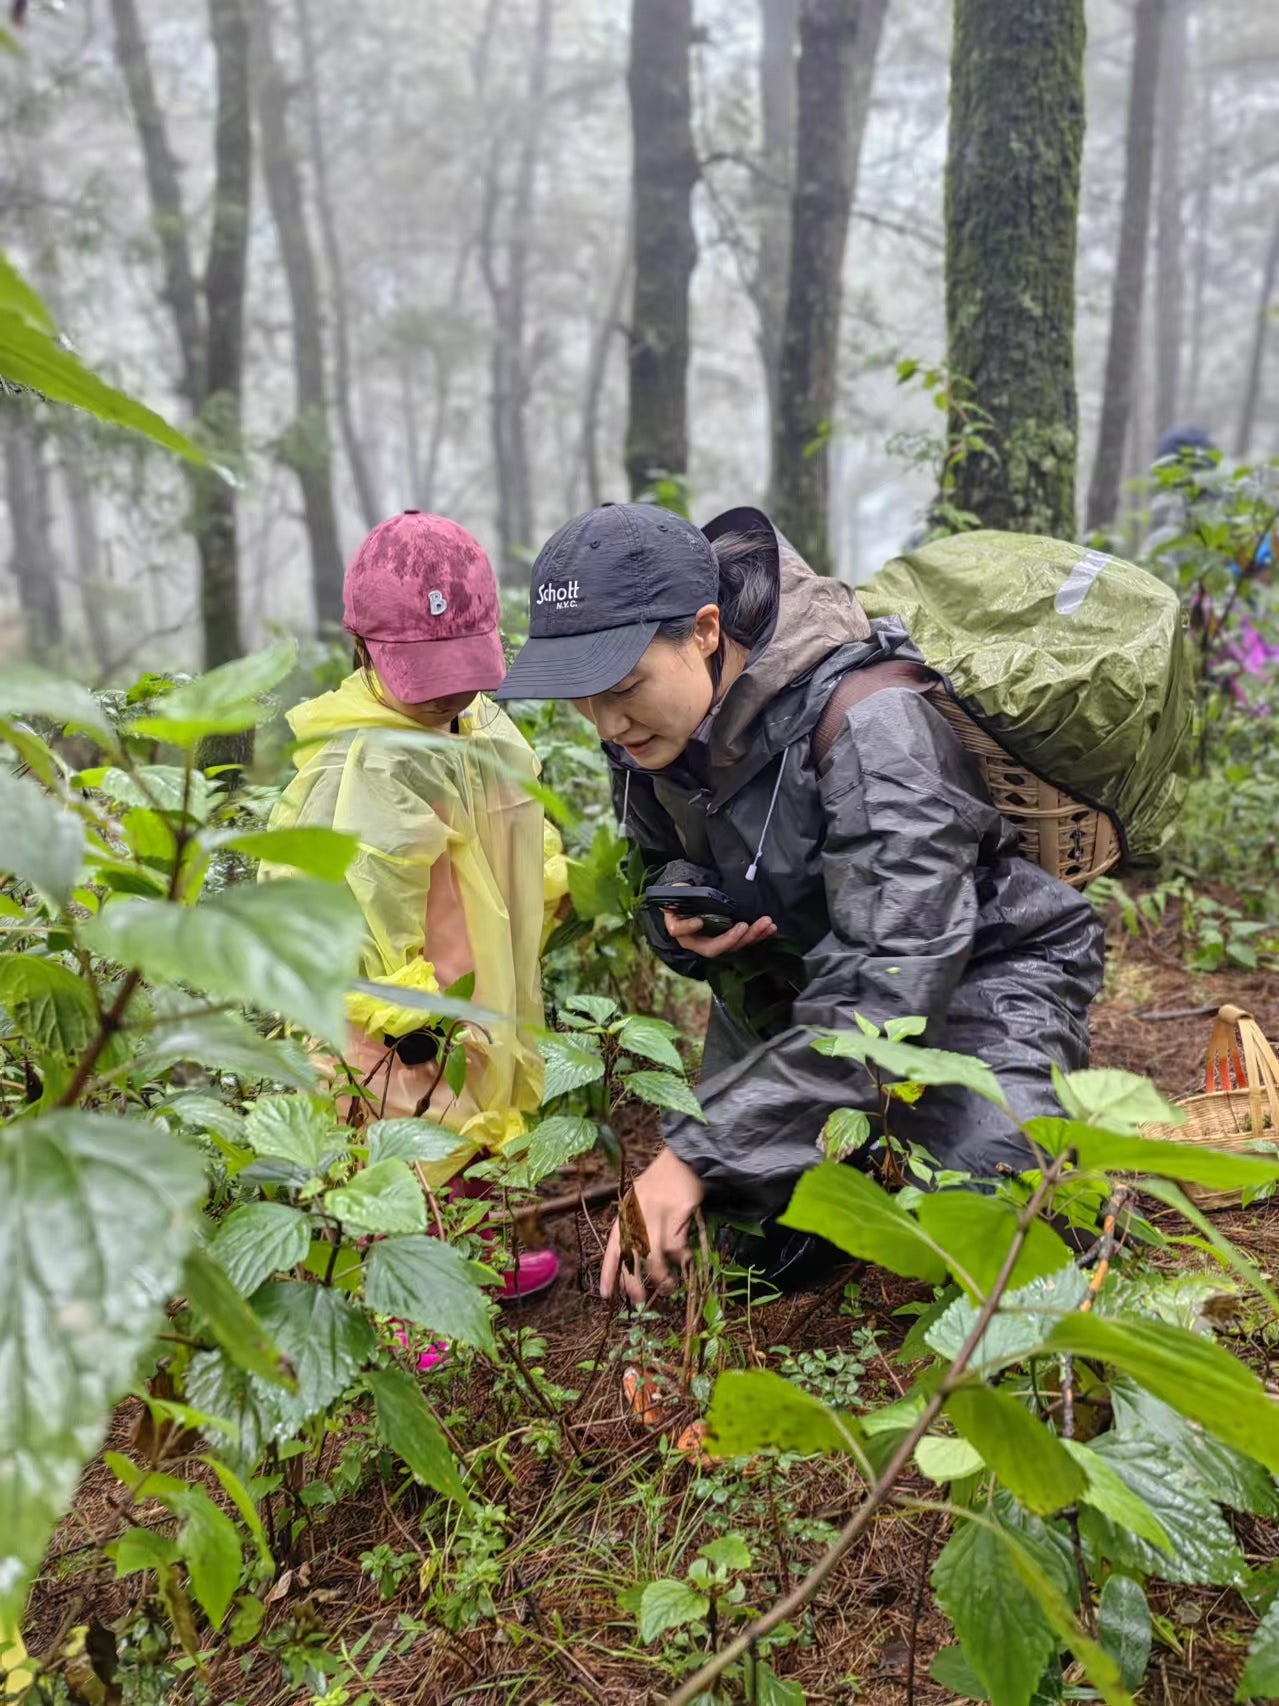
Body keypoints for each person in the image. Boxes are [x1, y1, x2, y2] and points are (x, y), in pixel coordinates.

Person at [497, 503, 1104, 1303]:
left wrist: (693, 1150)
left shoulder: (873, 727)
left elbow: (892, 979)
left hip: (974, 970)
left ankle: (961, 1129)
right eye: (582, 697)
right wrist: (677, 924)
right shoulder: (647, 734)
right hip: (796, 978)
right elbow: (657, 864)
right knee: (743, 1252)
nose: (605, 723)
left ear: (706, 631)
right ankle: (847, 1156)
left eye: (623, 686)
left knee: (998, 1216)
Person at [267, 509, 562, 1298]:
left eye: (462, 668)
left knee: (475, 1101)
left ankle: (466, 1241)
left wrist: (552, 883)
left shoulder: (486, 729)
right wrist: (398, 1004)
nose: (447, 696)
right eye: (425, 675)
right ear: (361, 648)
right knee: (392, 1120)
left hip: (477, 972)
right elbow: (349, 889)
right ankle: (399, 1289)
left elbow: (523, 823)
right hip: (400, 1005)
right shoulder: (363, 756)